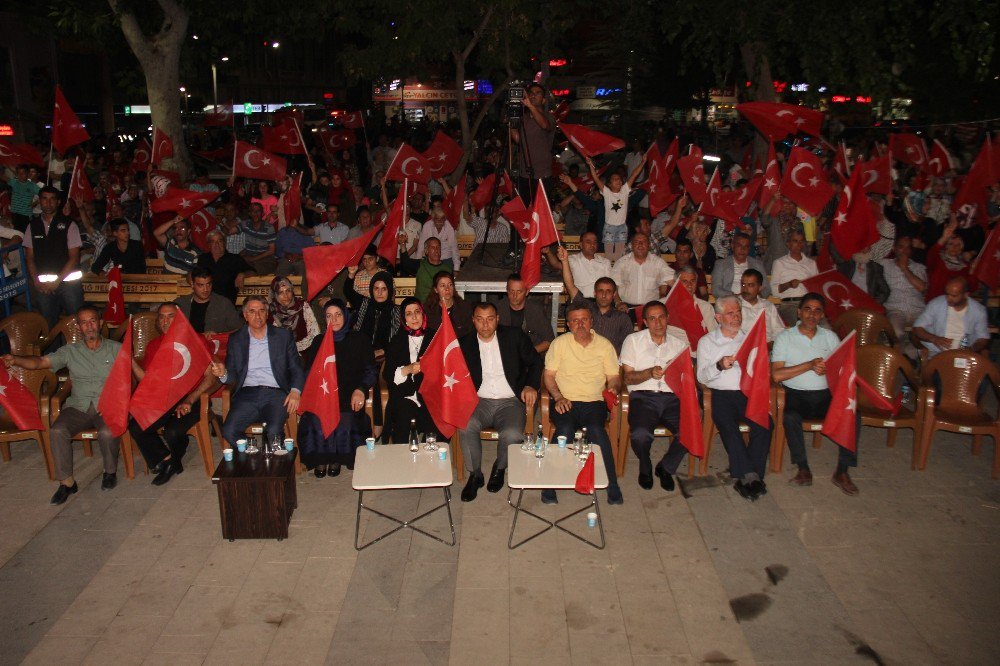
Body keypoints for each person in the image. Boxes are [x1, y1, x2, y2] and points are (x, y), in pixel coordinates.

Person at [3, 306, 121, 504]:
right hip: (78, 405)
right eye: (84, 322)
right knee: (57, 430)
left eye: (92, 321)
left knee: (108, 432)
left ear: (100, 324)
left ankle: (109, 472)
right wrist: (16, 360)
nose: (89, 326)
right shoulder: (70, 351)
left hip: (107, 404)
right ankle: (67, 483)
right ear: (79, 327)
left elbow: (129, 376)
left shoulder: (116, 349)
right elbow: (39, 362)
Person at [771, 292, 859, 495]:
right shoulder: (786, 337)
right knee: (790, 416)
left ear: (822, 316)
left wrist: (829, 369)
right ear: (799, 312)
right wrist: (809, 365)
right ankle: (803, 468)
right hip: (795, 394)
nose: (812, 314)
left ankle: (843, 470)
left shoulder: (830, 337)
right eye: (808, 309)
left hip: (825, 395)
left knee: (853, 412)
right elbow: (776, 375)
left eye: (817, 310)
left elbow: (841, 369)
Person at [457, 302, 542, 502]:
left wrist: (530, 385)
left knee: (512, 433)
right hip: (479, 400)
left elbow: (536, 362)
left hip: (510, 400)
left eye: (490, 319)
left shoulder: (514, 336)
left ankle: (500, 468)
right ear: (473, 320)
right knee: (465, 425)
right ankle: (475, 474)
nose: (485, 324)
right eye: (480, 319)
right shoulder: (464, 343)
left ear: (497, 319)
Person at [128, 303, 220, 486]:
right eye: (161, 316)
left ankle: (172, 461)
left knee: (173, 431)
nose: (165, 321)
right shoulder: (153, 345)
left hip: (192, 397)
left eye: (170, 316)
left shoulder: (196, 341)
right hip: (163, 399)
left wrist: (189, 399)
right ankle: (168, 459)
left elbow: (211, 378)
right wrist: (129, 361)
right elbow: (147, 380)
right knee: (137, 426)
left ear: (179, 320)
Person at [543, 301, 623, 504]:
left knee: (597, 430)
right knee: (564, 430)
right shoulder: (559, 344)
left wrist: (613, 386)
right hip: (565, 400)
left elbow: (614, 376)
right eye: (575, 321)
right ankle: (549, 484)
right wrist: (558, 396)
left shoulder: (604, 345)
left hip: (593, 402)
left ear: (591, 321)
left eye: (584, 320)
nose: (580, 325)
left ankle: (612, 484)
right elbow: (549, 375)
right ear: (568, 324)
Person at [696, 296, 772, 501]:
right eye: (731, 313)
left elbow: (763, 371)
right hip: (720, 394)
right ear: (718, 317)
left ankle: (746, 476)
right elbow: (701, 377)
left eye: (738, 312)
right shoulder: (708, 342)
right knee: (728, 425)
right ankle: (751, 475)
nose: (736, 317)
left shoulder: (750, 339)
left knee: (765, 423)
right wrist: (719, 365)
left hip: (747, 393)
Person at [620, 300, 694, 495]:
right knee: (640, 434)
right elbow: (627, 377)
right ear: (644, 321)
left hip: (672, 397)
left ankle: (666, 467)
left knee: (689, 430)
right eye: (652, 319)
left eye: (661, 317)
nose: (658, 323)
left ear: (668, 318)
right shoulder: (633, 340)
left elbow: (687, 378)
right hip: (644, 397)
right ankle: (645, 465)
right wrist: (649, 373)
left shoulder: (680, 345)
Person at [297, 300, 377, 478]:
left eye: (338, 314)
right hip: (324, 395)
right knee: (313, 420)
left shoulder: (359, 339)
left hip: (350, 395)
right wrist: (301, 393)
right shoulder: (319, 341)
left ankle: (336, 459)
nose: (334, 319)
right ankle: (320, 458)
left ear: (345, 315)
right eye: (329, 316)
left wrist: (361, 389)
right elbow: (309, 372)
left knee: (346, 421)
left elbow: (371, 370)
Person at [211, 296, 305, 447]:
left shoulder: (282, 336)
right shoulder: (236, 339)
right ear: (245, 315)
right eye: (252, 311)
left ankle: (275, 462)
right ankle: (254, 453)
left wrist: (295, 391)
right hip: (247, 395)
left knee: (273, 430)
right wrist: (223, 373)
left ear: (267, 314)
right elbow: (233, 374)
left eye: (262, 311)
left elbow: (296, 367)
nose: (258, 316)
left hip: (276, 393)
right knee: (229, 430)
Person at [382, 298, 444, 443]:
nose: (414, 317)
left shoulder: (436, 338)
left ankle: (429, 456)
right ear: (404, 319)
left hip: (431, 395)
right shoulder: (397, 340)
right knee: (403, 411)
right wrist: (408, 369)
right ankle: (403, 459)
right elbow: (388, 374)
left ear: (423, 315)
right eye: (409, 314)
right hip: (406, 395)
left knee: (436, 424)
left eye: (417, 312)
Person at [22, 186, 84, 326]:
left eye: (52, 199)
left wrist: (57, 281)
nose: (48, 203)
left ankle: (76, 348)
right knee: (48, 325)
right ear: (39, 201)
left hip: (69, 283)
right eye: (44, 199)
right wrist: (36, 281)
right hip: (43, 285)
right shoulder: (32, 226)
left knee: (76, 322)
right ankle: (53, 349)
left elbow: (74, 257)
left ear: (58, 202)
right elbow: (29, 257)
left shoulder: (69, 224)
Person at [557, 246, 632, 353]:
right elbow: (570, 286)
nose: (604, 295)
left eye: (608, 291)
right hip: (583, 360)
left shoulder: (622, 318)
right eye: (601, 291)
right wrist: (564, 261)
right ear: (594, 293)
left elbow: (628, 347)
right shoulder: (586, 308)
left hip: (609, 363)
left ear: (614, 294)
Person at [585, 156, 647, 261]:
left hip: (622, 227)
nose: (618, 181)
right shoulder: (607, 193)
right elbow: (595, 178)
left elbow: (634, 175)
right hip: (609, 227)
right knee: (609, 256)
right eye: (614, 179)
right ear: (609, 184)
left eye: (619, 179)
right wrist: (590, 165)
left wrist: (643, 162)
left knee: (618, 257)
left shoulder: (624, 190)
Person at [912, 276, 989, 358]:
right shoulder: (936, 304)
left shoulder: (978, 311)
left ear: (966, 295)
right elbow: (917, 328)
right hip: (937, 352)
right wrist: (934, 339)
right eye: (947, 294)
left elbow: (983, 338)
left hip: (963, 354)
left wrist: (971, 349)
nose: (949, 298)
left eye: (954, 296)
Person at [879, 235, 927, 359]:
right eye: (901, 247)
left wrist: (905, 269)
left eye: (908, 248)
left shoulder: (918, 267)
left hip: (917, 309)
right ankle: (909, 356)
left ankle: (909, 354)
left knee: (923, 335)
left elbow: (922, 288)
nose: (904, 251)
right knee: (896, 332)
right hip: (895, 309)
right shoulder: (884, 264)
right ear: (894, 248)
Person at [510, 82, 556, 200]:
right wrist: (511, 125)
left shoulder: (548, 116)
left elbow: (545, 125)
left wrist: (530, 106)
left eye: (537, 93)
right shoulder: (523, 118)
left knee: (540, 212)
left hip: (542, 174)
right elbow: (519, 140)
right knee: (525, 209)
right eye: (531, 93)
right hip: (524, 173)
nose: (533, 96)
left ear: (544, 100)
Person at [610, 232, 675, 312]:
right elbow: (612, 285)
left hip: (651, 309)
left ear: (649, 245)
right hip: (626, 308)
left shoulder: (658, 262)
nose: (640, 244)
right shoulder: (622, 262)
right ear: (632, 245)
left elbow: (672, 281)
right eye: (637, 242)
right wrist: (618, 303)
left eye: (644, 241)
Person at [496, 273, 555, 354]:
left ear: (527, 292)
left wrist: (527, 353)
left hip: (531, 357)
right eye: (511, 291)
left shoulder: (536, 310)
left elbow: (549, 340)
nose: (514, 295)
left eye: (519, 292)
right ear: (507, 290)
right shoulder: (497, 309)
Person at [769, 230, 818, 325]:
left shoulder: (811, 263)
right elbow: (774, 290)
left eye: (801, 241)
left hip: (809, 304)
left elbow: (816, 288)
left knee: (826, 327)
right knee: (803, 324)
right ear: (788, 244)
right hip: (789, 305)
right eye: (795, 241)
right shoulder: (779, 263)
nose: (799, 244)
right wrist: (789, 284)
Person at [348, 270, 400, 358]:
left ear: (390, 290)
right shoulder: (364, 304)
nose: (379, 293)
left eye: (384, 289)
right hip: (362, 356)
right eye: (376, 289)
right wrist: (351, 275)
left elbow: (401, 340)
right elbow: (348, 291)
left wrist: (384, 350)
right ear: (371, 289)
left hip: (387, 358)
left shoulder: (397, 311)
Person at [176, 267, 243, 335]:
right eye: (201, 285)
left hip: (215, 344)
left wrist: (218, 335)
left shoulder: (223, 304)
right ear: (192, 284)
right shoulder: (180, 304)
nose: (205, 289)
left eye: (208, 284)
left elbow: (239, 329)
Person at [196, 229, 254, 304]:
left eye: (220, 241)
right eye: (213, 242)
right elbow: (196, 274)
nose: (217, 244)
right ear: (209, 245)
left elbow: (253, 271)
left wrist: (243, 274)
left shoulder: (235, 259)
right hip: (205, 303)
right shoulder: (203, 259)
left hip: (226, 305)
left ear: (224, 243)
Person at [268, 275, 321, 357]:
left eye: (288, 291)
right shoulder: (271, 311)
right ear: (275, 295)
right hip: (280, 355)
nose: (286, 296)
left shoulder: (302, 306)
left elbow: (315, 333)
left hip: (305, 353)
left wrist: (294, 348)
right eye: (281, 292)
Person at [925, 219, 977, 300]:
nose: (954, 247)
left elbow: (972, 288)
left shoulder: (965, 266)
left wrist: (972, 271)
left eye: (958, 244)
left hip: (955, 306)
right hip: (934, 305)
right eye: (951, 244)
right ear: (946, 246)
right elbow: (931, 255)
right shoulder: (938, 259)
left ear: (962, 248)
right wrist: (944, 237)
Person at [712, 232, 770, 299]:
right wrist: (735, 296)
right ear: (732, 246)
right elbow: (716, 290)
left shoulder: (757, 265)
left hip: (752, 301)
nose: (743, 249)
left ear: (749, 249)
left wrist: (754, 296)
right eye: (739, 245)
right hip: (730, 301)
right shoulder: (721, 264)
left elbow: (767, 289)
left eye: (746, 246)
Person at [398, 237, 454, 302]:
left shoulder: (447, 269)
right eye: (433, 247)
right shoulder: (420, 265)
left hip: (441, 307)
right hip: (421, 308)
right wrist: (402, 244)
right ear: (426, 251)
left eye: (438, 247)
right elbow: (405, 263)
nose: (436, 250)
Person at [424, 271, 474, 339]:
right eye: (443, 286)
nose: (447, 289)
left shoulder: (465, 307)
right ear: (436, 289)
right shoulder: (428, 310)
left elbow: (470, 333)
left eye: (450, 285)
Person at [739, 269, 785, 342]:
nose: (745, 289)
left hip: (767, 348)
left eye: (750, 285)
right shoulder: (735, 306)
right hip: (743, 348)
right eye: (743, 285)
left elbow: (779, 330)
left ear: (760, 288)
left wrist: (771, 344)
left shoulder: (768, 306)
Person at [564, 231, 612, 299]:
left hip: (600, 302)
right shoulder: (572, 260)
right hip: (580, 302)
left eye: (595, 242)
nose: (592, 245)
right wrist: (548, 253)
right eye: (588, 242)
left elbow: (610, 286)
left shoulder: (605, 262)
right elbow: (556, 264)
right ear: (580, 245)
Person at [274, 216, 315, 288]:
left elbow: (312, 250)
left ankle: (301, 296)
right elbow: (277, 251)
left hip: (301, 258)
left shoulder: (305, 231)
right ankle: (280, 294)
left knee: (303, 273)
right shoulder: (282, 232)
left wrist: (300, 256)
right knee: (279, 276)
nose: (293, 221)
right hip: (286, 258)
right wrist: (285, 255)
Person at [240, 202, 278, 275]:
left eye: (258, 211)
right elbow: (230, 231)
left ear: (262, 213)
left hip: (266, 260)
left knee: (250, 272)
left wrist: (253, 259)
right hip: (250, 257)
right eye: (253, 211)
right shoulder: (246, 224)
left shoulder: (268, 227)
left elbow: (271, 251)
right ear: (250, 213)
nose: (255, 213)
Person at [9, 164, 40, 232]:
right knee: (15, 232)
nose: (20, 175)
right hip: (14, 212)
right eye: (19, 173)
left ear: (28, 174)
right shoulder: (14, 182)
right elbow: (3, 177)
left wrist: (34, 203)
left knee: (24, 233)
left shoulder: (32, 186)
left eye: (23, 173)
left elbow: (43, 195)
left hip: (25, 214)